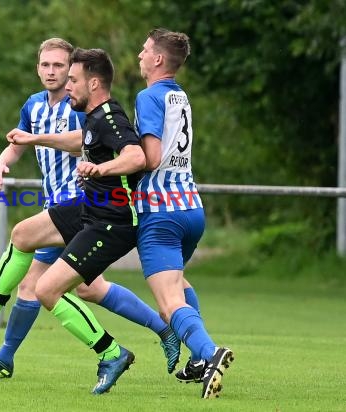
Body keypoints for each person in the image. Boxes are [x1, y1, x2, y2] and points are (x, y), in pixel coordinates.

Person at [0, 39, 180, 382]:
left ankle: (8, 352)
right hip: (78, 207)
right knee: (69, 274)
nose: (58, 77)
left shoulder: (91, 111)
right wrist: (12, 153)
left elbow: (127, 153)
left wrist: (97, 169)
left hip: (98, 211)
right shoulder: (47, 108)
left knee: (39, 288)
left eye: (64, 70)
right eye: (46, 66)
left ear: (81, 77)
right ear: (37, 68)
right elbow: (60, 141)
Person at [133, 28, 234, 398]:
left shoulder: (148, 96)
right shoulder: (180, 96)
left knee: (168, 302)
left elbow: (152, 157)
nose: (140, 56)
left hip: (161, 213)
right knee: (179, 285)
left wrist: (112, 164)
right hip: (192, 208)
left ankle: (211, 353)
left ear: (159, 59)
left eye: (145, 51)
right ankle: (197, 359)